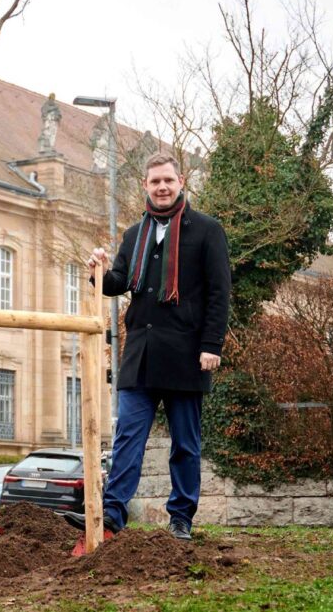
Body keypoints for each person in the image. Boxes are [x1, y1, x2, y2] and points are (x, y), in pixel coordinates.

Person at [87, 153, 231, 541]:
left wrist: (211, 344)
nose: (162, 187)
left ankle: (181, 517)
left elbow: (220, 293)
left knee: (185, 444)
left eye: (168, 180)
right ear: (145, 186)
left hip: (187, 354)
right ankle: (113, 515)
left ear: (181, 181)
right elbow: (117, 282)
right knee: (127, 439)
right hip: (141, 354)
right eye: (155, 182)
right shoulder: (135, 234)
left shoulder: (207, 230)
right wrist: (97, 270)